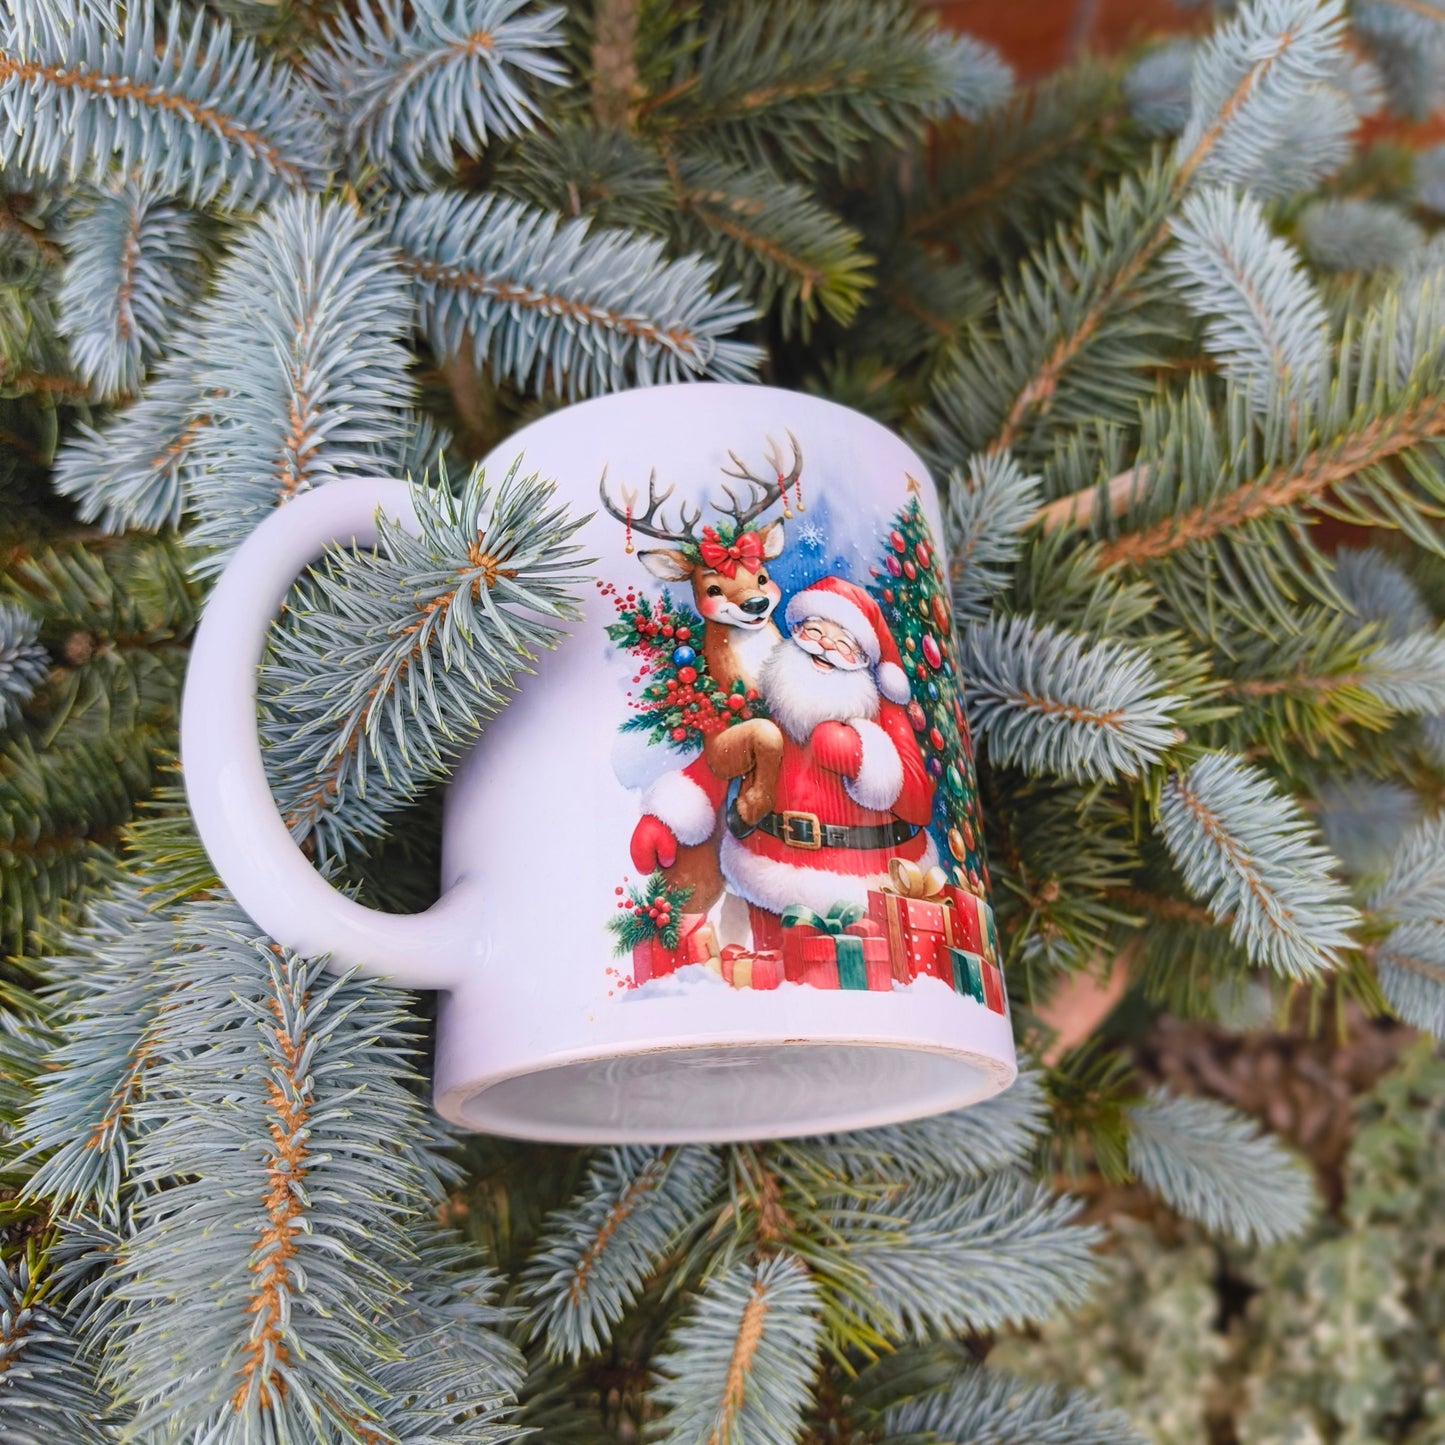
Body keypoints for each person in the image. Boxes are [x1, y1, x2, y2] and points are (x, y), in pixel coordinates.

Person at [630, 576, 936, 947]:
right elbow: (724, 758)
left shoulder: (878, 711)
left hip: (868, 887)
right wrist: (669, 815)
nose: (826, 645)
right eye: (815, 631)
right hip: (769, 876)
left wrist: (858, 756)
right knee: (762, 976)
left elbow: (919, 803)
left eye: (843, 642)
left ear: (863, 659)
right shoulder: (777, 696)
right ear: (795, 633)